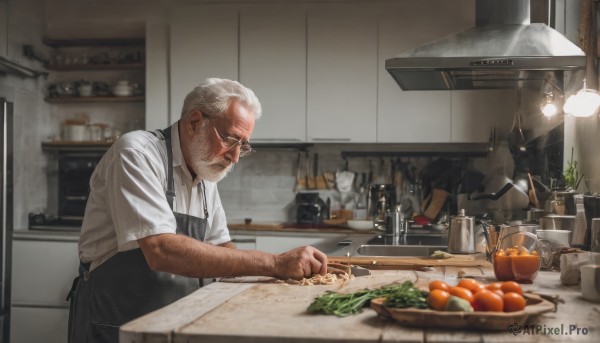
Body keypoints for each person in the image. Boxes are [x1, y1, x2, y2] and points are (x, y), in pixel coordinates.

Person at [68, 78, 328, 342]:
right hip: (117, 322)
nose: (235, 156)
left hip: (173, 322)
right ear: (195, 122)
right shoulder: (136, 153)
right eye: (230, 139)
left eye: (244, 145)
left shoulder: (205, 173)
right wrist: (274, 263)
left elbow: (223, 248)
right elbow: (160, 250)